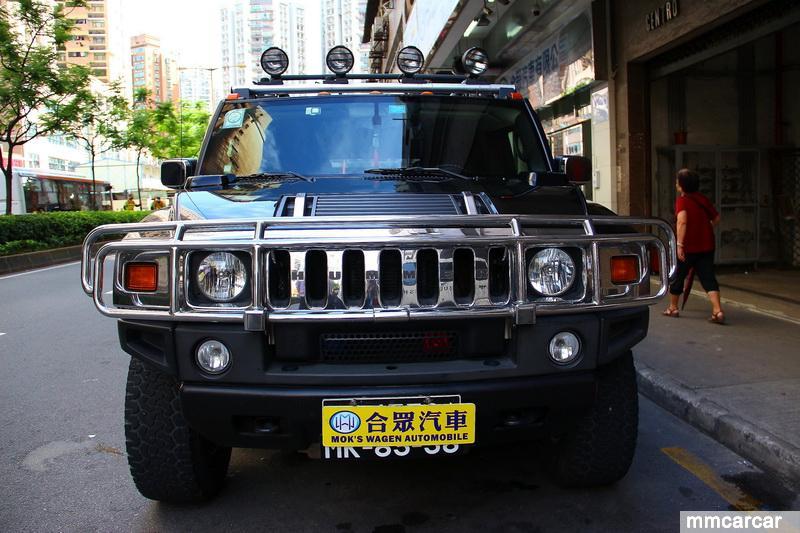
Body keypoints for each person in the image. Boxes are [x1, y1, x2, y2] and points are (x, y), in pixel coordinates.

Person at [663, 168, 725, 324]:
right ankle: (717, 310)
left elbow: (682, 221)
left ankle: (673, 308)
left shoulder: (682, 201)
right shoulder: (703, 199)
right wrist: (705, 228)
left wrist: (679, 245)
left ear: (682, 185)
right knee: (708, 277)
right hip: (707, 245)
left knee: (678, 276)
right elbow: (717, 218)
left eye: (677, 181)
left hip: (688, 247)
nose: (676, 183)